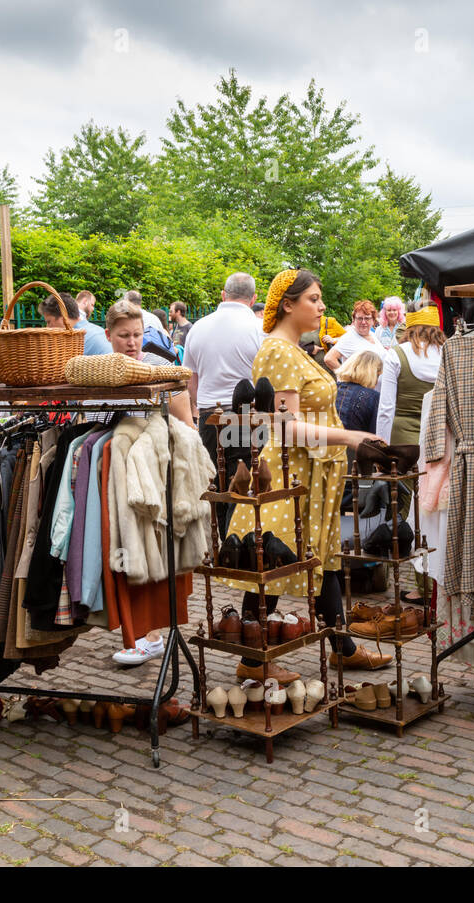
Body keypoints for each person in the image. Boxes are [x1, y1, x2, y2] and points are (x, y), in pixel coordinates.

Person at [222, 268, 391, 684]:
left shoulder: (297, 350)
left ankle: (343, 648)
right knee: (274, 560)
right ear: (288, 304)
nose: (321, 306)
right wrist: (349, 436)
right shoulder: (278, 351)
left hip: (313, 470)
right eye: (313, 299)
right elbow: (283, 426)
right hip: (287, 471)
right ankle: (253, 659)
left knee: (323, 557)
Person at [183, 272, 265, 534]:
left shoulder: (198, 327)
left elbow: (190, 379)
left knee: (216, 481)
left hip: (209, 413)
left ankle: (221, 545)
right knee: (244, 482)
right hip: (248, 416)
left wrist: (198, 408)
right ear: (253, 299)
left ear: (223, 294)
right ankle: (238, 541)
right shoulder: (259, 329)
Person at [376, 304, 444, 602]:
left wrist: (380, 448)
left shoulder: (396, 355)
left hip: (405, 441)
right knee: (433, 509)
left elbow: (386, 408)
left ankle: (420, 584)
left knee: (410, 511)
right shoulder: (448, 355)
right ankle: (436, 583)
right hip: (438, 437)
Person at [102, 298, 194, 427]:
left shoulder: (164, 369)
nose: (132, 343)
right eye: (124, 335)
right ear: (108, 335)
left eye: (137, 335)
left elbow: (187, 428)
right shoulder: (98, 373)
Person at [324, 300, 382, 371]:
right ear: (354, 320)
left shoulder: (372, 334)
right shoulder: (350, 337)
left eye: (367, 318)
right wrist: (345, 377)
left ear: (373, 320)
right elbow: (329, 358)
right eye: (360, 318)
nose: (363, 322)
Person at [46, 292, 111, 354]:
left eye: (49, 322)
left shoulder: (79, 336)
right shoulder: (96, 330)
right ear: (85, 302)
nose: (93, 309)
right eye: (92, 305)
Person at [334, 351, 383, 434]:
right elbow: (374, 435)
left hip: (324, 443)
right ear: (373, 374)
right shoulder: (372, 397)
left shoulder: (331, 388)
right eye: (378, 375)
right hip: (354, 444)